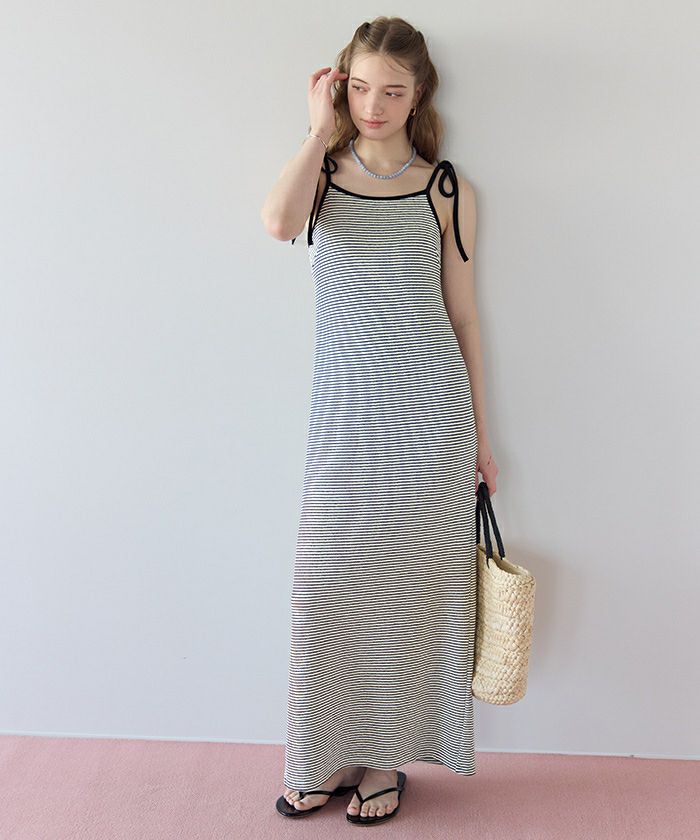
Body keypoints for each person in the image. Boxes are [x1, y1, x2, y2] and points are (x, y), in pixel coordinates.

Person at [261, 16, 498, 826]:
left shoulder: (446, 190)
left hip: (430, 421)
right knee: (325, 588)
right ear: (340, 87)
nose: (374, 105)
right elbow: (277, 223)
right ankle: (321, 756)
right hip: (345, 422)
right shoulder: (321, 176)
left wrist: (482, 438)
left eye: (392, 91)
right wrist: (315, 130)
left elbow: (463, 319)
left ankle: (382, 760)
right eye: (360, 88)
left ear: (419, 94)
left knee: (401, 599)